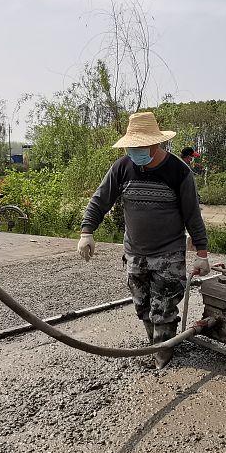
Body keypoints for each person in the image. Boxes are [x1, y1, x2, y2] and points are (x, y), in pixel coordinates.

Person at [79, 112, 210, 369]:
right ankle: (157, 343)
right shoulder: (123, 167)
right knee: (143, 306)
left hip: (168, 254)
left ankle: (164, 355)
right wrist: (87, 231)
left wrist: (202, 252)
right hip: (135, 252)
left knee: (163, 308)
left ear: (155, 144)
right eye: (131, 147)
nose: (134, 152)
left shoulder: (178, 172)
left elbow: (193, 215)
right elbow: (100, 199)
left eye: (139, 147)